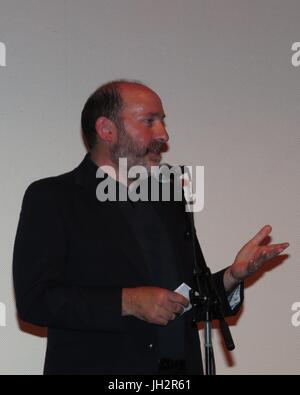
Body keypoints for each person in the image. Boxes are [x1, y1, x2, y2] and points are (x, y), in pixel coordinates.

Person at [13, 80, 289, 375]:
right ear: (107, 129)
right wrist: (128, 302)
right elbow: (37, 301)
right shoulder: (55, 197)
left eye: (162, 122)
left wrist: (233, 276)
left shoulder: (168, 201)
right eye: (150, 121)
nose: (163, 134)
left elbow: (186, 299)